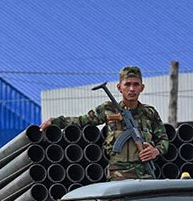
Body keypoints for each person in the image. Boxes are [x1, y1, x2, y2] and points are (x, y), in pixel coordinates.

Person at [41, 65, 169, 181]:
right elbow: (82, 121)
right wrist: (55, 121)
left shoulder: (149, 113)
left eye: (136, 85)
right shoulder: (108, 109)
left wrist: (155, 151)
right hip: (118, 173)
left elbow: (163, 139)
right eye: (127, 84)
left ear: (142, 87)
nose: (131, 89)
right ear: (119, 87)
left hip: (145, 172)